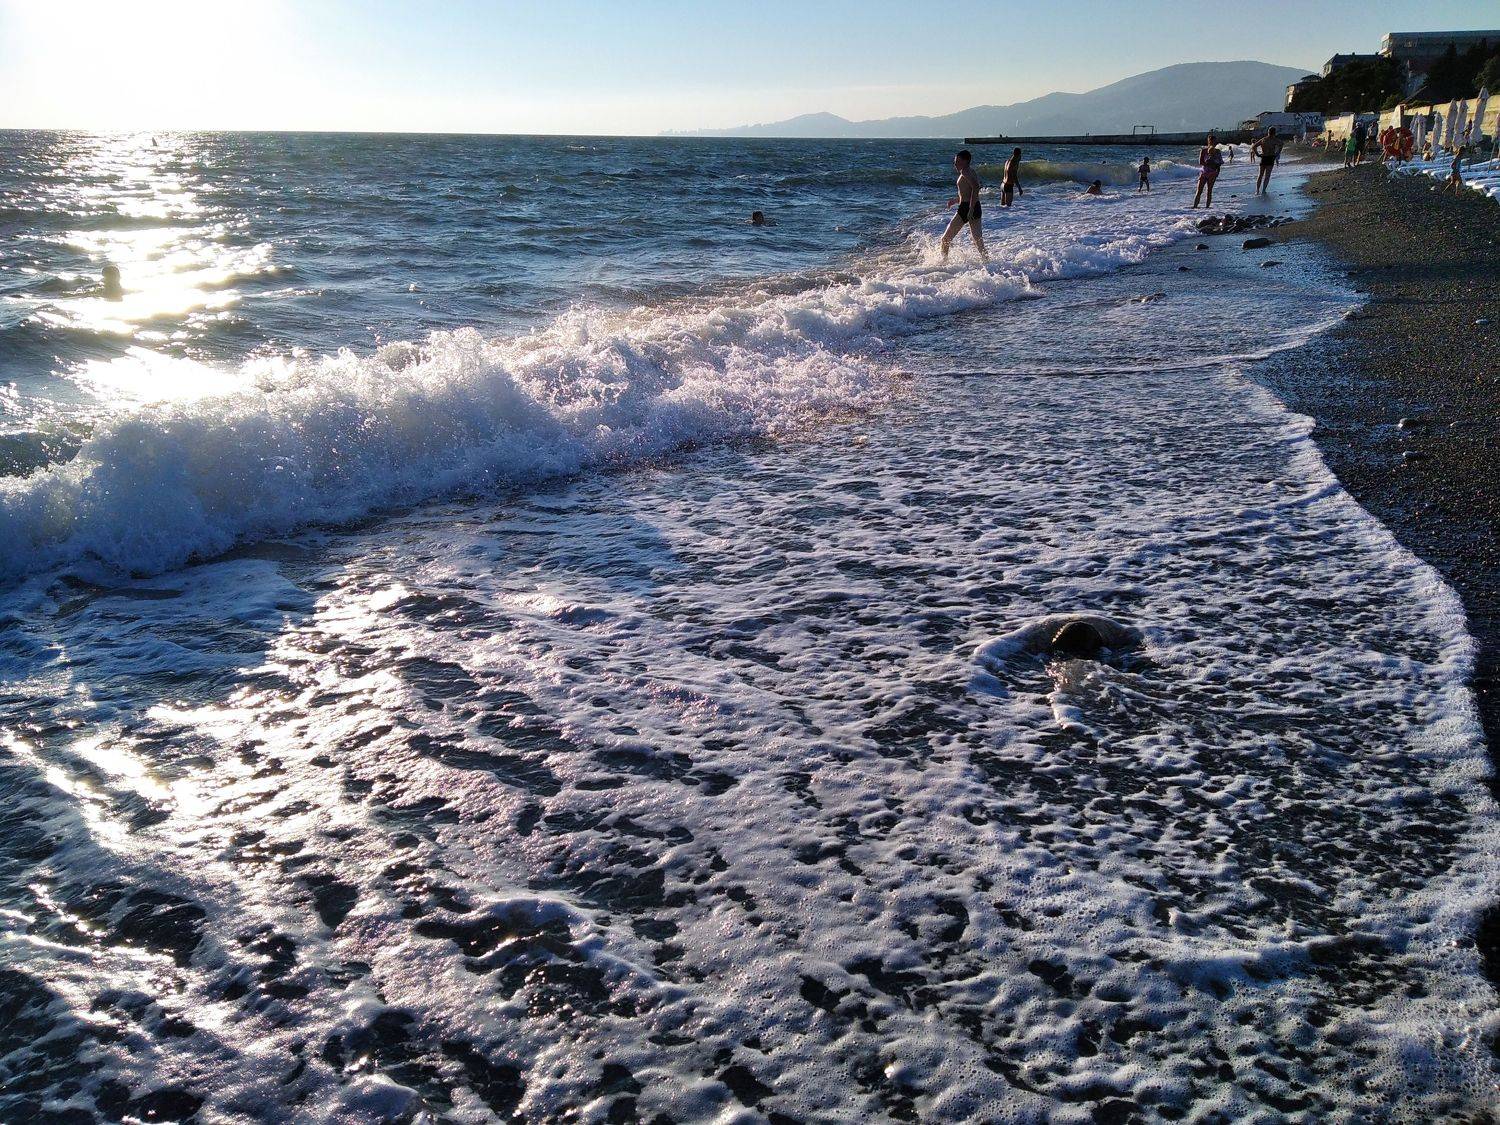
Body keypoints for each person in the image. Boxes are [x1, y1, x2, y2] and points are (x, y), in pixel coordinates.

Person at [940, 149, 987, 261]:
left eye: (958, 161)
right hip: (975, 206)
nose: (955, 164)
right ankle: (988, 263)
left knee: (945, 239)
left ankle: (944, 264)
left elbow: (976, 187)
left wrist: (970, 209)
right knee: (978, 242)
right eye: (955, 162)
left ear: (965, 161)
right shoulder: (970, 171)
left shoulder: (965, 171)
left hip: (967, 208)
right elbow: (968, 193)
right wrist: (956, 200)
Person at [1191, 133, 1223, 209]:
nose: (1214, 143)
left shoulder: (1218, 151)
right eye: (1212, 141)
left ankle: (1207, 208)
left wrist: (1217, 171)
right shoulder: (1203, 151)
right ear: (1209, 141)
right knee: (1199, 190)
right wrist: (1209, 164)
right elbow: (1200, 162)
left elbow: (1220, 163)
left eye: (1214, 142)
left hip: (1212, 173)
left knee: (1209, 191)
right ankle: (1195, 207)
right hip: (1204, 172)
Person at [1251, 127, 1281, 195]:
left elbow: (1253, 146)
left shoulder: (1263, 139)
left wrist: (1257, 154)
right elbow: (1281, 144)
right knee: (1267, 176)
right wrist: (1277, 153)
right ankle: (1263, 190)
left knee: (1260, 175)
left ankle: (1257, 190)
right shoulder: (1275, 140)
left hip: (1264, 157)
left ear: (1268, 132)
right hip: (1270, 158)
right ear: (1274, 133)